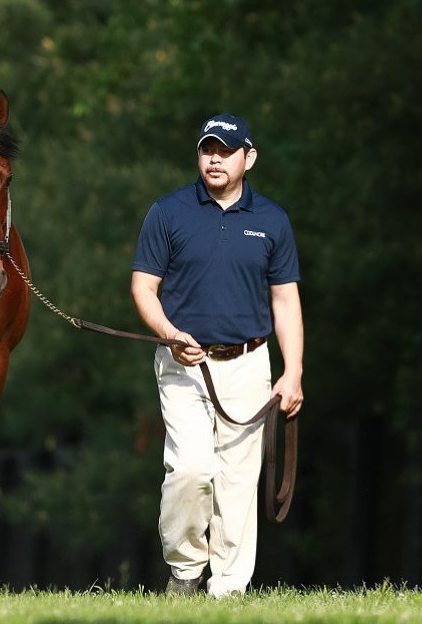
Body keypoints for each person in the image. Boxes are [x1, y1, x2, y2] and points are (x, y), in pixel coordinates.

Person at [131, 112, 303, 596]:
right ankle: (185, 572)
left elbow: (286, 301)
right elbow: (144, 287)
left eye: (226, 151)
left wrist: (293, 373)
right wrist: (168, 332)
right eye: (208, 149)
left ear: (248, 158)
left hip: (250, 363)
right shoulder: (168, 212)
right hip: (183, 362)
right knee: (189, 468)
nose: (215, 158)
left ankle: (227, 590)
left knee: (237, 482)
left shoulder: (272, 220)